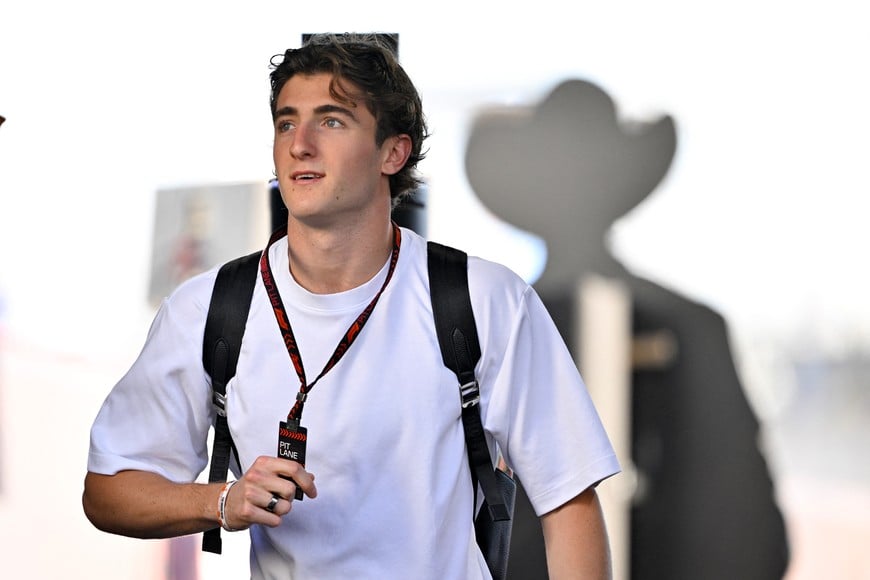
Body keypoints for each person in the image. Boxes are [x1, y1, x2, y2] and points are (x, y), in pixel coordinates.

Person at [83, 34, 620, 579]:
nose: (300, 144)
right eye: (287, 123)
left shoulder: (484, 300)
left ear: (394, 152)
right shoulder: (209, 309)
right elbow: (107, 491)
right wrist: (222, 501)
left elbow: (569, 501)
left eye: (333, 121)